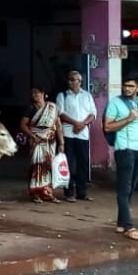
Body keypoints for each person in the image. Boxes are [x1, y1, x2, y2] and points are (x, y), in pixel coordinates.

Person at [105, 74, 138, 240]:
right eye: (125, 85)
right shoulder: (115, 103)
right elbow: (108, 127)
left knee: (131, 189)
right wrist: (128, 118)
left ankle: (121, 223)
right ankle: (129, 227)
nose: (127, 89)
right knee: (124, 190)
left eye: (131, 86)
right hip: (125, 149)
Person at [55, 69, 98, 202]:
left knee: (83, 163)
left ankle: (82, 192)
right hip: (68, 134)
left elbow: (93, 113)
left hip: (83, 135)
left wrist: (83, 124)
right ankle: (69, 193)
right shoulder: (62, 95)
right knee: (69, 164)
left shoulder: (87, 96)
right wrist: (75, 123)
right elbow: (60, 114)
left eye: (76, 80)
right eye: (70, 79)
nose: (73, 82)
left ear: (80, 82)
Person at [22, 86, 61, 203]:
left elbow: (57, 125)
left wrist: (62, 142)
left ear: (43, 93)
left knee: (48, 166)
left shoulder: (52, 108)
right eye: (32, 93)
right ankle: (35, 193)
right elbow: (23, 125)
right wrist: (33, 136)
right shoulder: (30, 109)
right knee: (36, 166)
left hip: (50, 142)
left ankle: (47, 192)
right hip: (36, 141)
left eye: (36, 93)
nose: (34, 95)